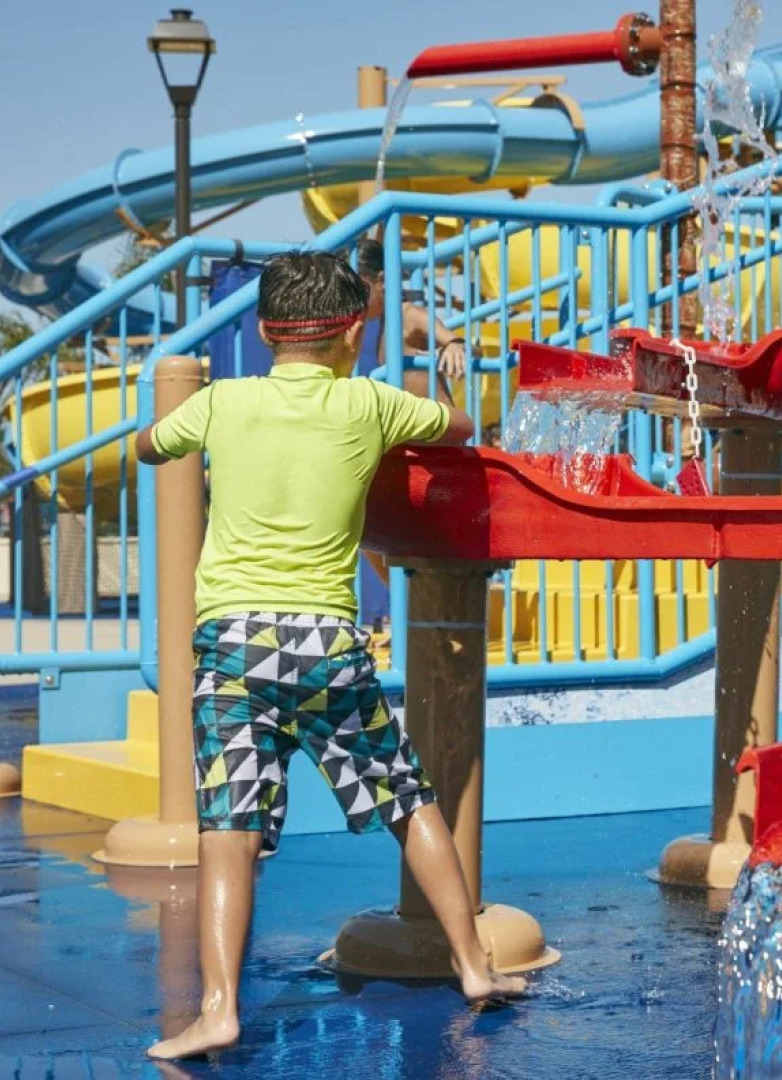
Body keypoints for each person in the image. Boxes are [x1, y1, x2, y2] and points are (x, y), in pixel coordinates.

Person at [136, 251, 523, 1060]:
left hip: (235, 643)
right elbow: (456, 430)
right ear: (353, 331)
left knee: (228, 828)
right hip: (325, 643)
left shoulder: (221, 401)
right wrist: (442, 369)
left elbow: (147, 446)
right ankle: (474, 966)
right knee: (408, 800)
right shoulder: (371, 401)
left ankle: (217, 1009)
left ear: (266, 329)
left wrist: (185, 430)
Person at [353, 237, 467, 406]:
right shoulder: (383, 324)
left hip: (438, 425)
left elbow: (453, 339)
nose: (353, 301)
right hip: (415, 425)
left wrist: (453, 344)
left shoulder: (408, 314)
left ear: (382, 281)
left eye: (358, 290)